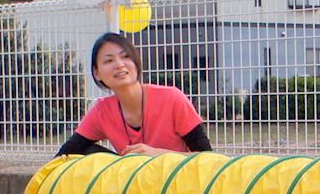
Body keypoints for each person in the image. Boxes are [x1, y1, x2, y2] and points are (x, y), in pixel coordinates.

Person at [55, 32, 212, 158]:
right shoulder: (102, 111)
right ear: (97, 73)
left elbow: (207, 157)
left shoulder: (171, 98)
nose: (119, 64)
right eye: (109, 60)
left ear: (136, 62)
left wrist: (158, 154)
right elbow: (66, 153)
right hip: (133, 182)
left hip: (176, 181)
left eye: (125, 56)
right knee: (86, 154)